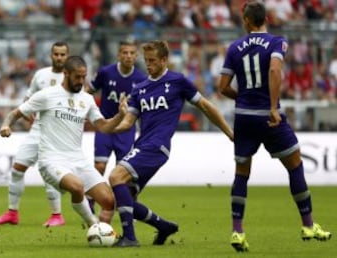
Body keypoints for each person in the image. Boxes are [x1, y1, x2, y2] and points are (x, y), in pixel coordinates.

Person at [217, 1, 332, 252]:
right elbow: (275, 70)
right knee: (295, 164)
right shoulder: (276, 42)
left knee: (241, 173)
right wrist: (270, 106)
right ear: (266, 19)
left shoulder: (234, 47)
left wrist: (245, 98)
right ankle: (308, 225)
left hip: (245, 117)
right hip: (270, 116)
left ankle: (237, 232)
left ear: (246, 21)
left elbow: (222, 87)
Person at [108, 40, 234, 247]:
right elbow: (127, 124)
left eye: (153, 61)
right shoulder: (139, 89)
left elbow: (205, 106)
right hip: (142, 145)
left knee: (115, 176)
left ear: (165, 60)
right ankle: (164, 226)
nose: (148, 65)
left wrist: (229, 131)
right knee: (123, 199)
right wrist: (118, 117)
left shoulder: (178, 81)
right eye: (146, 61)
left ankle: (130, 238)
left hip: (157, 146)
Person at [0, 55, 127, 228]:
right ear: (66, 74)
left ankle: (102, 237)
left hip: (78, 160)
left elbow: (103, 126)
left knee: (109, 201)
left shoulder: (86, 100)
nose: (81, 81)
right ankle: (93, 225)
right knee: (77, 187)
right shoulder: (46, 95)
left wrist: (120, 116)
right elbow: (16, 113)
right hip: (51, 160)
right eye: (77, 77)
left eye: (84, 76)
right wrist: (6, 125)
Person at [0, 42, 69, 227]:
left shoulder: (71, 76)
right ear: (51, 55)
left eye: (62, 54)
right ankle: (12, 213)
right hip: (38, 129)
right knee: (17, 168)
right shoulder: (41, 75)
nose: (59, 57)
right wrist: (21, 119)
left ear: (67, 56)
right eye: (56, 54)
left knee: (49, 172)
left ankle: (57, 215)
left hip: (58, 133)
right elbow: (28, 99)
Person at [87, 40, 146, 213]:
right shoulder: (106, 72)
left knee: (122, 173)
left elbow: (142, 107)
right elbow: (89, 90)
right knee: (100, 166)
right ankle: (91, 200)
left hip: (126, 130)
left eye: (131, 53)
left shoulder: (141, 79)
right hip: (106, 126)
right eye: (125, 53)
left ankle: (125, 206)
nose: (128, 56)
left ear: (136, 56)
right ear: (119, 55)